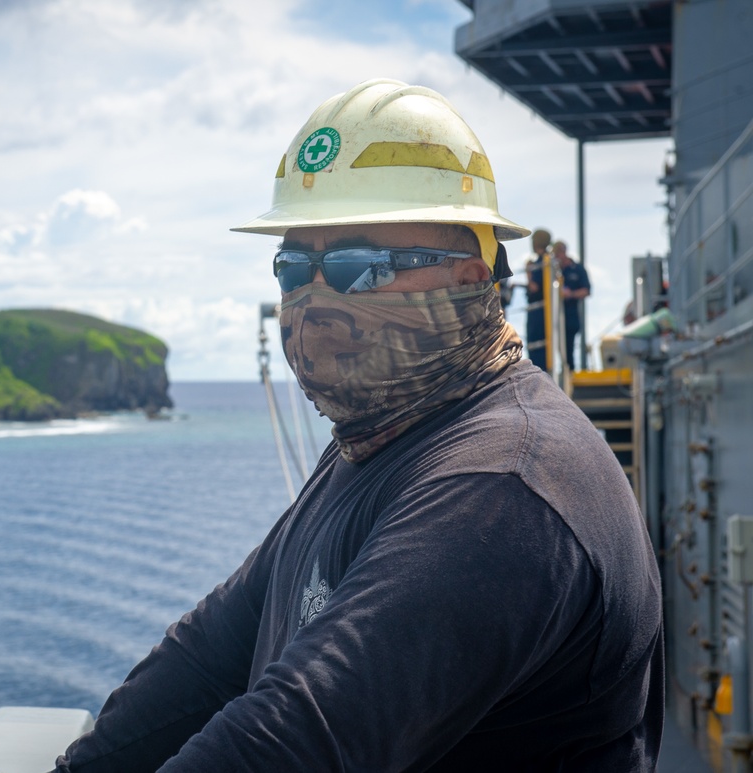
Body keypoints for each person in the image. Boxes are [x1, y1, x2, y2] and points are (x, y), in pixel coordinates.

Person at [52, 79, 663, 772]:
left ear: (465, 277)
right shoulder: (376, 439)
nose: (313, 300)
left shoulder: (506, 484)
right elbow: (211, 654)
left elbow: (297, 738)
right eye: (293, 268)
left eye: (356, 266)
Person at [554, 240, 591, 371]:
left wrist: (571, 294)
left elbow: (586, 290)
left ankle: (570, 372)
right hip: (554, 315)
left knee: (569, 347)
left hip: (571, 314)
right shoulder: (553, 270)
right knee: (556, 347)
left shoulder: (578, 269)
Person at [523, 228, 551, 370]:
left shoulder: (542, 263)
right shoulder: (549, 260)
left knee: (536, 346)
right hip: (544, 312)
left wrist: (528, 271)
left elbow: (534, 287)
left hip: (539, 312)